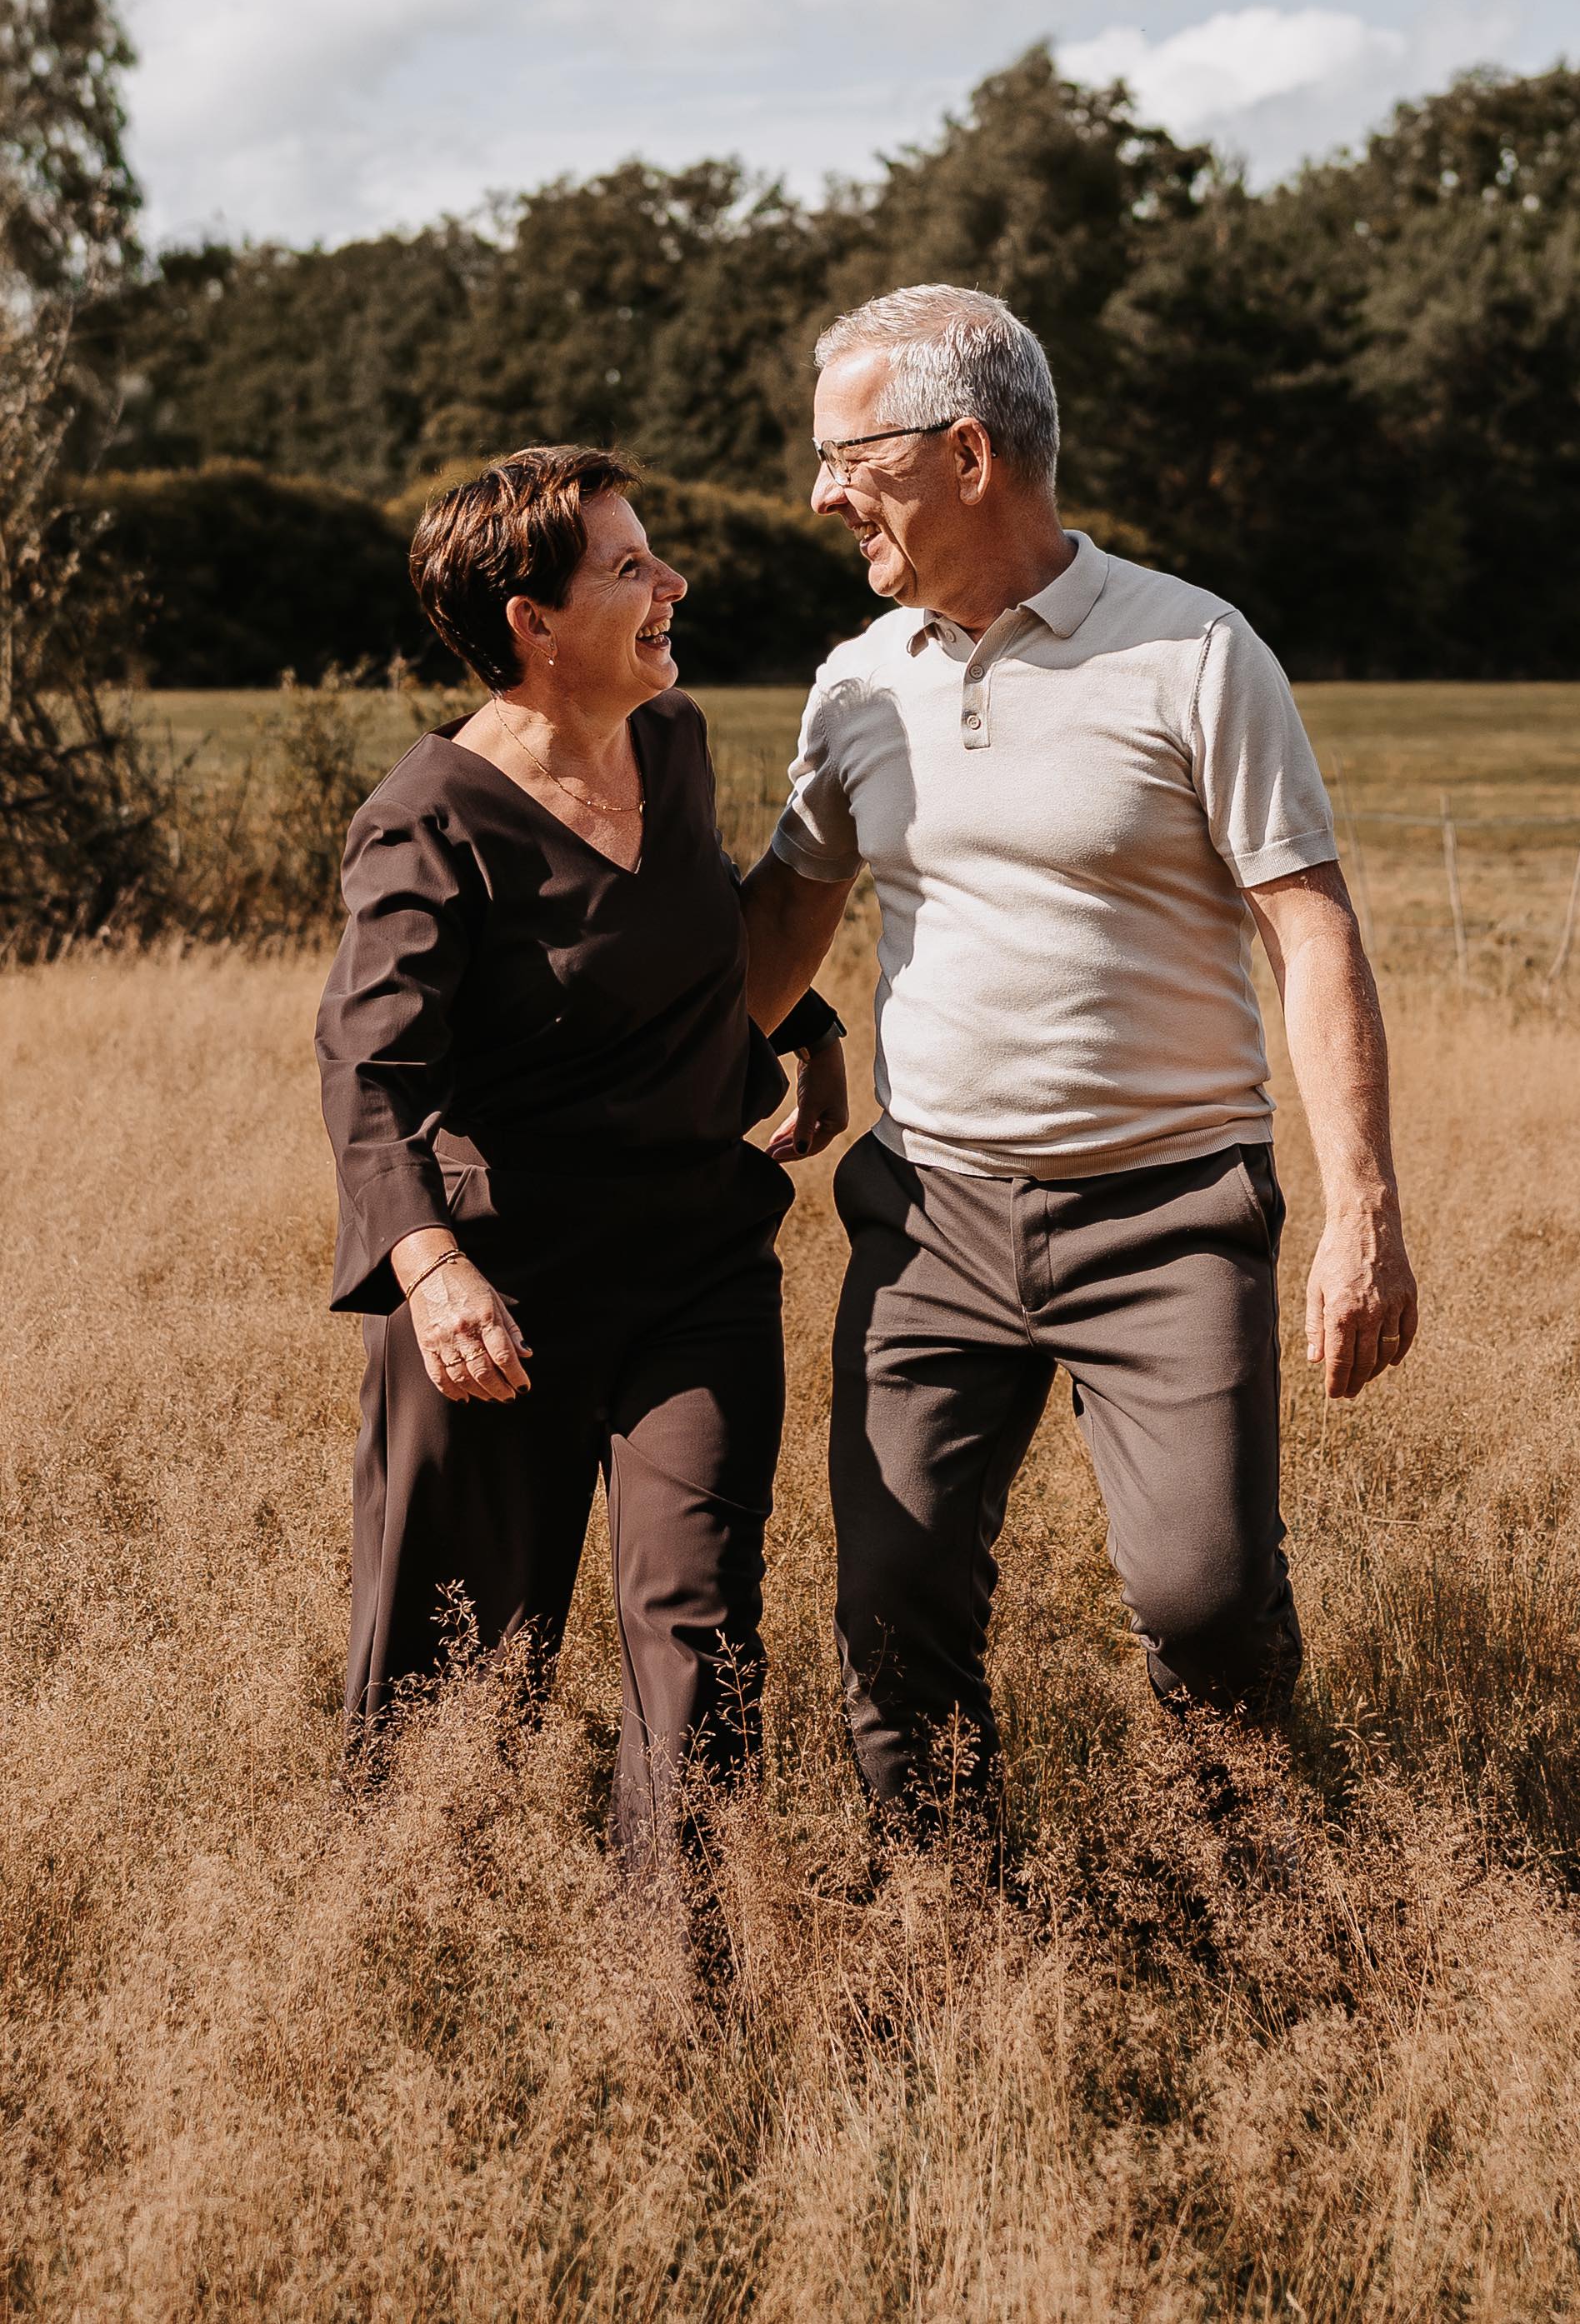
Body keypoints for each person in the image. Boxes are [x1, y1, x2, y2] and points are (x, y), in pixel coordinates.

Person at [742, 284, 1418, 1824]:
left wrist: (1362, 1210)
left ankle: (1262, 1908)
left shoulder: (1194, 650)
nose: (821, 492)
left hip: (1169, 1216)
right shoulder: (857, 680)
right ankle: (949, 1934)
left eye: (850, 455)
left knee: (1202, 1604)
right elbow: (780, 928)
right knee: (894, 1609)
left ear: (966, 454)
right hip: (930, 1219)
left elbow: (1311, 932)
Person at [315, 445, 847, 1857]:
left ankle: (683, 1978)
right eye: (628, 566)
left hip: (696, 1266)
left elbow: (689, 940)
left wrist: (814, 1027)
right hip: (502, 1291)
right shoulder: (427, 820)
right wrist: (430, 1273)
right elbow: (370, 1070)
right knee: (458, 1660)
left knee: (702, 1625)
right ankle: (416, 1941)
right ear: (529, 626)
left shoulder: (671, 741)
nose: (670, 582)